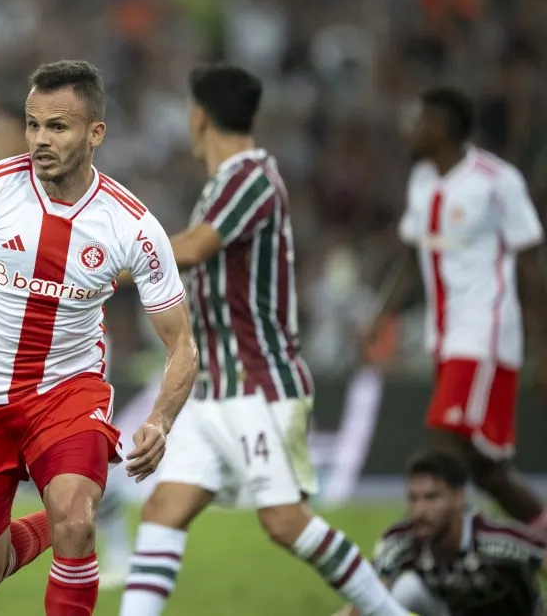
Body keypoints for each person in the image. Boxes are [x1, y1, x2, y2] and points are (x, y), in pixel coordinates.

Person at [119, 64, 414, 616]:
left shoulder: (249, 177)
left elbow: (198, 246)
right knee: (162, 508)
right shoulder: (224, 184)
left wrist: (119, 259)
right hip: (213, 392)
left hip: (260, 386)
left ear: (199, 115)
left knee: (284, 521)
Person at [0, 59, 197, 615]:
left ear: (96, 134)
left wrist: (160, 419)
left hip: (65, 393)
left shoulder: (133, 226)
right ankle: (75, 518)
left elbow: (181, 342)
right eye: (33, 124)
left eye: (57, 127)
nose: (40, 140)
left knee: (75, 520)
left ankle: (80, 519)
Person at [367, 87, 547, 539]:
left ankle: (422, 557)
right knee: (485, 469)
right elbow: (412, 258)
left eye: (421, 120)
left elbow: (529, 269)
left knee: (439, 449)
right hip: (443, 337)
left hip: (485, 334)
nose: (412, 128)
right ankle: (538, 534)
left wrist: (542, 350)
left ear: (444, 127)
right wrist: (381, 315)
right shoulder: (422, 181)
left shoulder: (496, 181)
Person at [0, 96, 135, 589]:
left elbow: (120, 251)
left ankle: (112, 538)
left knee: (64, 470)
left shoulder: (64, 188)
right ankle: (81, 516)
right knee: (42, 483)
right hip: (4, 360)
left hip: (67, 356)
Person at [338, 449, 544, 616]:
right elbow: (367, 599)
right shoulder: (402, 540)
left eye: (432, 497)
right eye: (413, 498)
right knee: (405, 589)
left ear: (458, 497)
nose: (419, 510)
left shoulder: (497, 539)